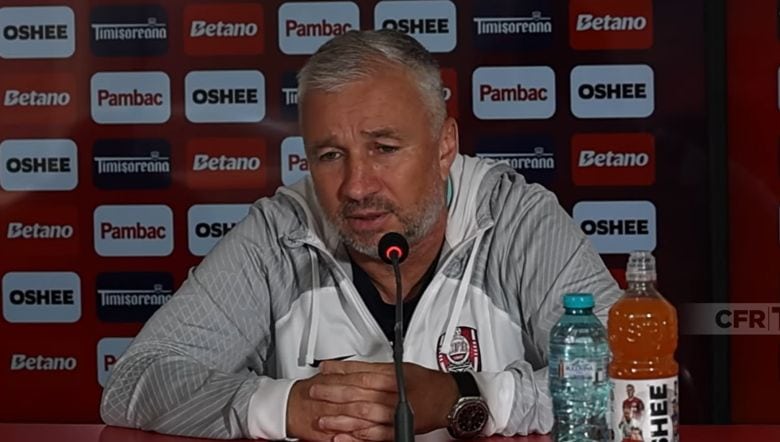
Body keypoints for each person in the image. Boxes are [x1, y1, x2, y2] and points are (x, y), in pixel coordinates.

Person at [100, 29, 621, 441]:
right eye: (330, 155)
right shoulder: (279, 233)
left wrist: (466, 398)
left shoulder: (514, 219)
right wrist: (288, 407)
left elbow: (628, 375)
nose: (356, 186)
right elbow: (134, 382)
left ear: (444, 147)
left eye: (384, 148)